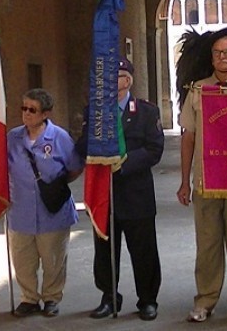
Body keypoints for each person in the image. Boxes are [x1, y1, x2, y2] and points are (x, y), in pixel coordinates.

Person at [176, 27, 227, 323]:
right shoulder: (198, 91)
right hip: (207, 180)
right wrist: (185, 181)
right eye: (217, 52)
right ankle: (205, 299)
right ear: (212, 57)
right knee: (207, 243)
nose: (223, 57)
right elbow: (188, 137)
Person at [77, 58, 165, 321]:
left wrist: (122, 162)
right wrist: (94, 149)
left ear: (128, 81)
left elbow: (154, 149)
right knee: (104, 250)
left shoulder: (147, 112)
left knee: (143, 250)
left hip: (136, 194)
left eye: (117, 77)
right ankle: (109, 297)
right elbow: (82, 147)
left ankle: (147, 300)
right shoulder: (95, 112)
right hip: (104, 193)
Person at [7, 88, 83, 318]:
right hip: (20, 210)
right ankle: (29, 298)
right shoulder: (12, 137)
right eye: (24, 108)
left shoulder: (59, 137)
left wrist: (55, 187)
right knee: (23, 259)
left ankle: (51, 297)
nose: (26, 114)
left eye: (32, 110)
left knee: (53, 260)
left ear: (45, 114)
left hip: (52, 211)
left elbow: (75, 167)